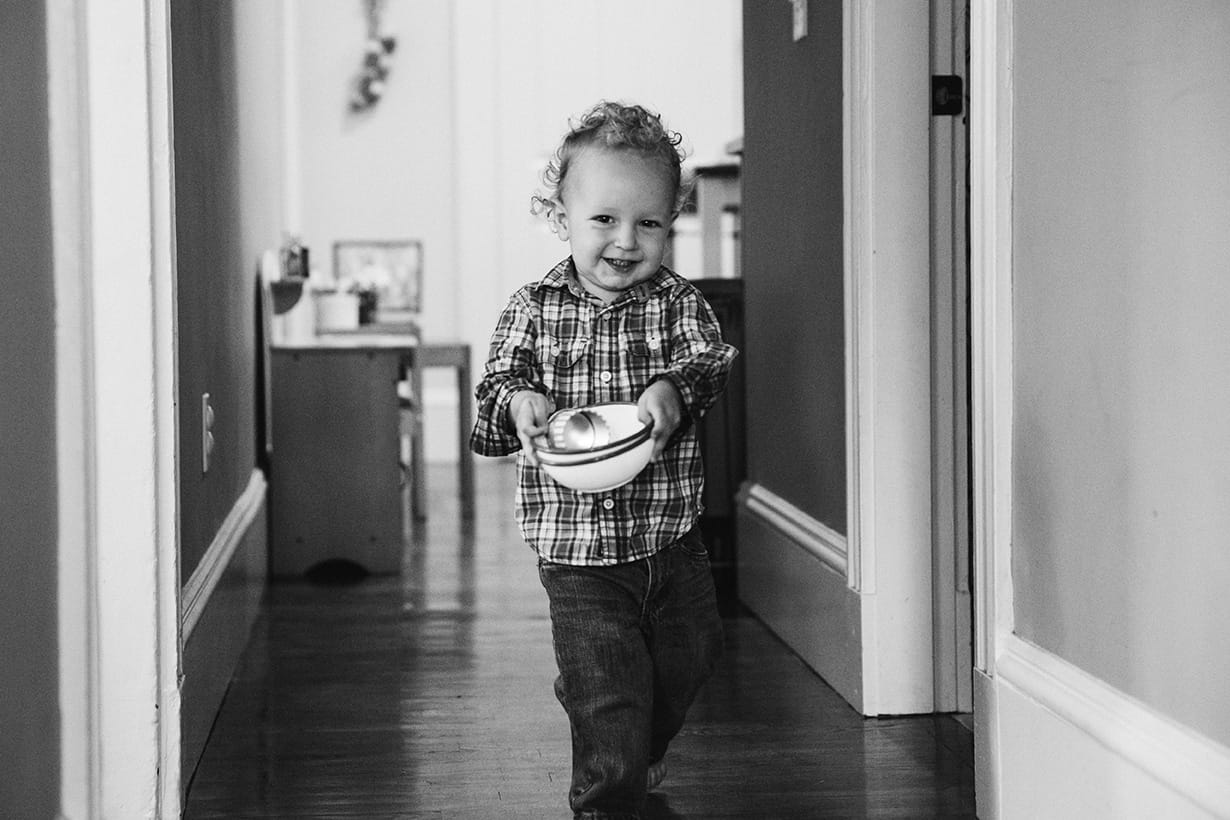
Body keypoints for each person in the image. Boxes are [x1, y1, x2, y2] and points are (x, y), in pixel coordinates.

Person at [470, 100, 738, 819]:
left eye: (649, 222)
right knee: (610, 689)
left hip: (670, 538)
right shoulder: (532, 307)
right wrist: (521, 401)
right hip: (577, 552)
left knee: (693, 655)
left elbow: (711, 361)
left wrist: (676, 389)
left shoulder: (679, 305)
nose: (626, 241)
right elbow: (498, 380)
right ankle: (608, 791)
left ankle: (620, 730)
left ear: (671, 220)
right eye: (604, 220)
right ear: (560, 216)